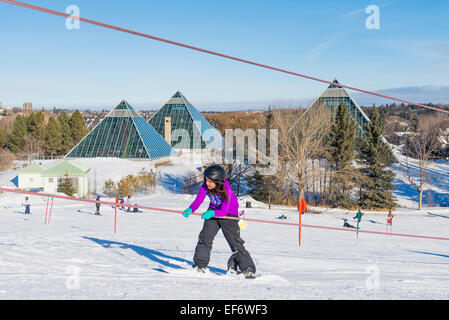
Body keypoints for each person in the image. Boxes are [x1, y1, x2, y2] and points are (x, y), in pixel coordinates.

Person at [182, 164, 256, 278]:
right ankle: (200, 265)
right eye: (206, 180)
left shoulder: (227, 190)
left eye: (210, 182)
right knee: (205, 238)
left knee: (235, 243)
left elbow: (224, 211)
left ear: (219, 181)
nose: (207, 184)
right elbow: (199, 200)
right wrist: (190, 209)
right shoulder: (205, 186)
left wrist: (212, 213)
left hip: (229, 215)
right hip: (213, 211)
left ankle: (248, 268)